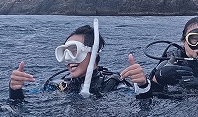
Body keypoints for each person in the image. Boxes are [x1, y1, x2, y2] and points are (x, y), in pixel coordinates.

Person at [9, 22, 151, 99]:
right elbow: (27, 103)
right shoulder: (61, 85)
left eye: (74, 51)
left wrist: (143, 85)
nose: (68, 59)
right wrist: (15, 90)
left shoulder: (113, 85)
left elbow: (141, 105)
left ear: (93, 53)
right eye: (64, 52)